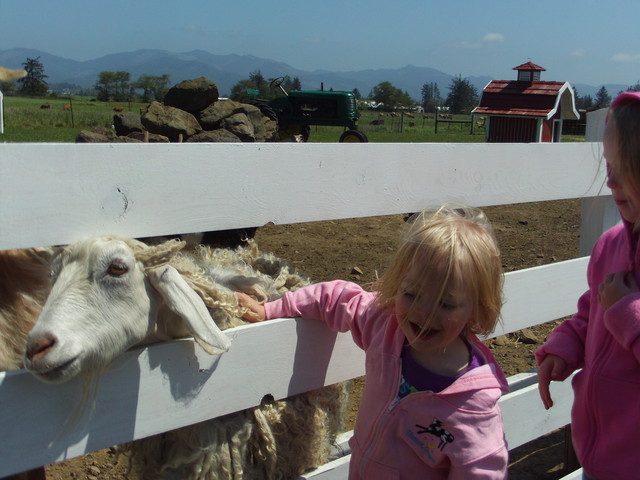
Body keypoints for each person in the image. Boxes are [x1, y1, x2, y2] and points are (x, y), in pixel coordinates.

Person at [238, 204, 509, 479]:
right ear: (398, 283)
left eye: (446, 303)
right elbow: (337, 298)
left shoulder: (473, 406)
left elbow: (482, 471)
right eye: (412, 293)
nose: (424, 314)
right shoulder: (385, 326)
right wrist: (271, 310)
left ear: (475, 308)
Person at [536, 91, 640, 480]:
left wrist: (628, 312)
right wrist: (567, 345)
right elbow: (593, 311)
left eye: (626, 167)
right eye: (608, 164)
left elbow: (614, 312)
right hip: (599, 456)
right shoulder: (611, 245)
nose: (610, 179)